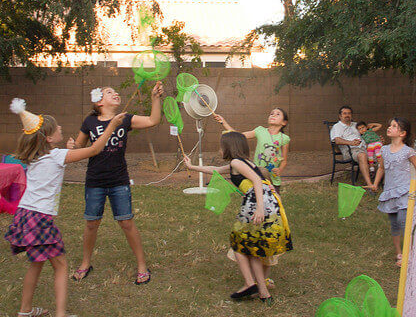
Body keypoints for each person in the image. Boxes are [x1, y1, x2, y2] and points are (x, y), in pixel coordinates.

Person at [5, 98, 125, 317]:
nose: (61, 128)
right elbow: (95, 149)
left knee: (36, 263)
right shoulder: (57, 155)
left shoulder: (39, 156)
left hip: (24, 215)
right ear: (48, 138)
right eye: (57, 128)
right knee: (60, 266)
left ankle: (25, 311)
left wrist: (69, 149)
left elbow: (63, 157)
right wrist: (112, 125)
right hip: (40, 219)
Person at [183, 131, 292, 305]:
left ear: (229, 147)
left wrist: (259, 209)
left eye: (221, 146)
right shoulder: (241, 163)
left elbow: (257, 180)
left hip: (257, 202)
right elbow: (216, 170)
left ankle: (250, 283)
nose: (220, 150)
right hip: (268, 201)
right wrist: (192, 167)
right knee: (252, 246)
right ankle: (263, 292)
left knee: (239, 243)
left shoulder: (236, 162)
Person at [69, 83, 162, 284]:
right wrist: (72, 146)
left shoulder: (124, 119)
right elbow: (79, 146)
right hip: (95, 181)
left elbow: (153, 120)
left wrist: (155, 98)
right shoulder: (90, 122)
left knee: (126, 222)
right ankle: (86, 263)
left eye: (115, 91)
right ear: (99, 102)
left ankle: (142, 265)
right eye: (109, 92)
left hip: (119, 180)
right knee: (92, 223)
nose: (116, 93)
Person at [369, 117, 416, 266]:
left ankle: (408, 253)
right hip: (389, 191)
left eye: (394, 126)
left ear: (402, 133)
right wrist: (375, 184)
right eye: (390, 125)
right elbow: (381, 168)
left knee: (403, 221)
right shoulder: (384, 150)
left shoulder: (408, 151)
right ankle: (399, 253)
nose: (389, 128)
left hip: (404, 191)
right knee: (394, 224)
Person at [214, 108, 290, 192]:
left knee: (275, 199)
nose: (273, 115)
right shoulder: (260, 131)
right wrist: (224, 122)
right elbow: (239, 136)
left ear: (284, 122)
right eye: (272, 113)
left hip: (273, 178)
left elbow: (284, 160)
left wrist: (280, 169)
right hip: (257, 173)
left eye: (278, 114)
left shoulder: (285, 138)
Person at [329, 105, 372, 186]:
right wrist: (351, 143)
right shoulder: (337, 127)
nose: (347, 115)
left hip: (365, 147)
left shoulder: (356, 125)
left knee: (383, 153)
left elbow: (366, 134)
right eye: (345, 113)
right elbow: (337, 140)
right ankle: (369, 185)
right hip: (350, 151)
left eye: (349, 113)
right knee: (362, 155)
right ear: (340, 116)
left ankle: (382, 181)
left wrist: (375, 139)